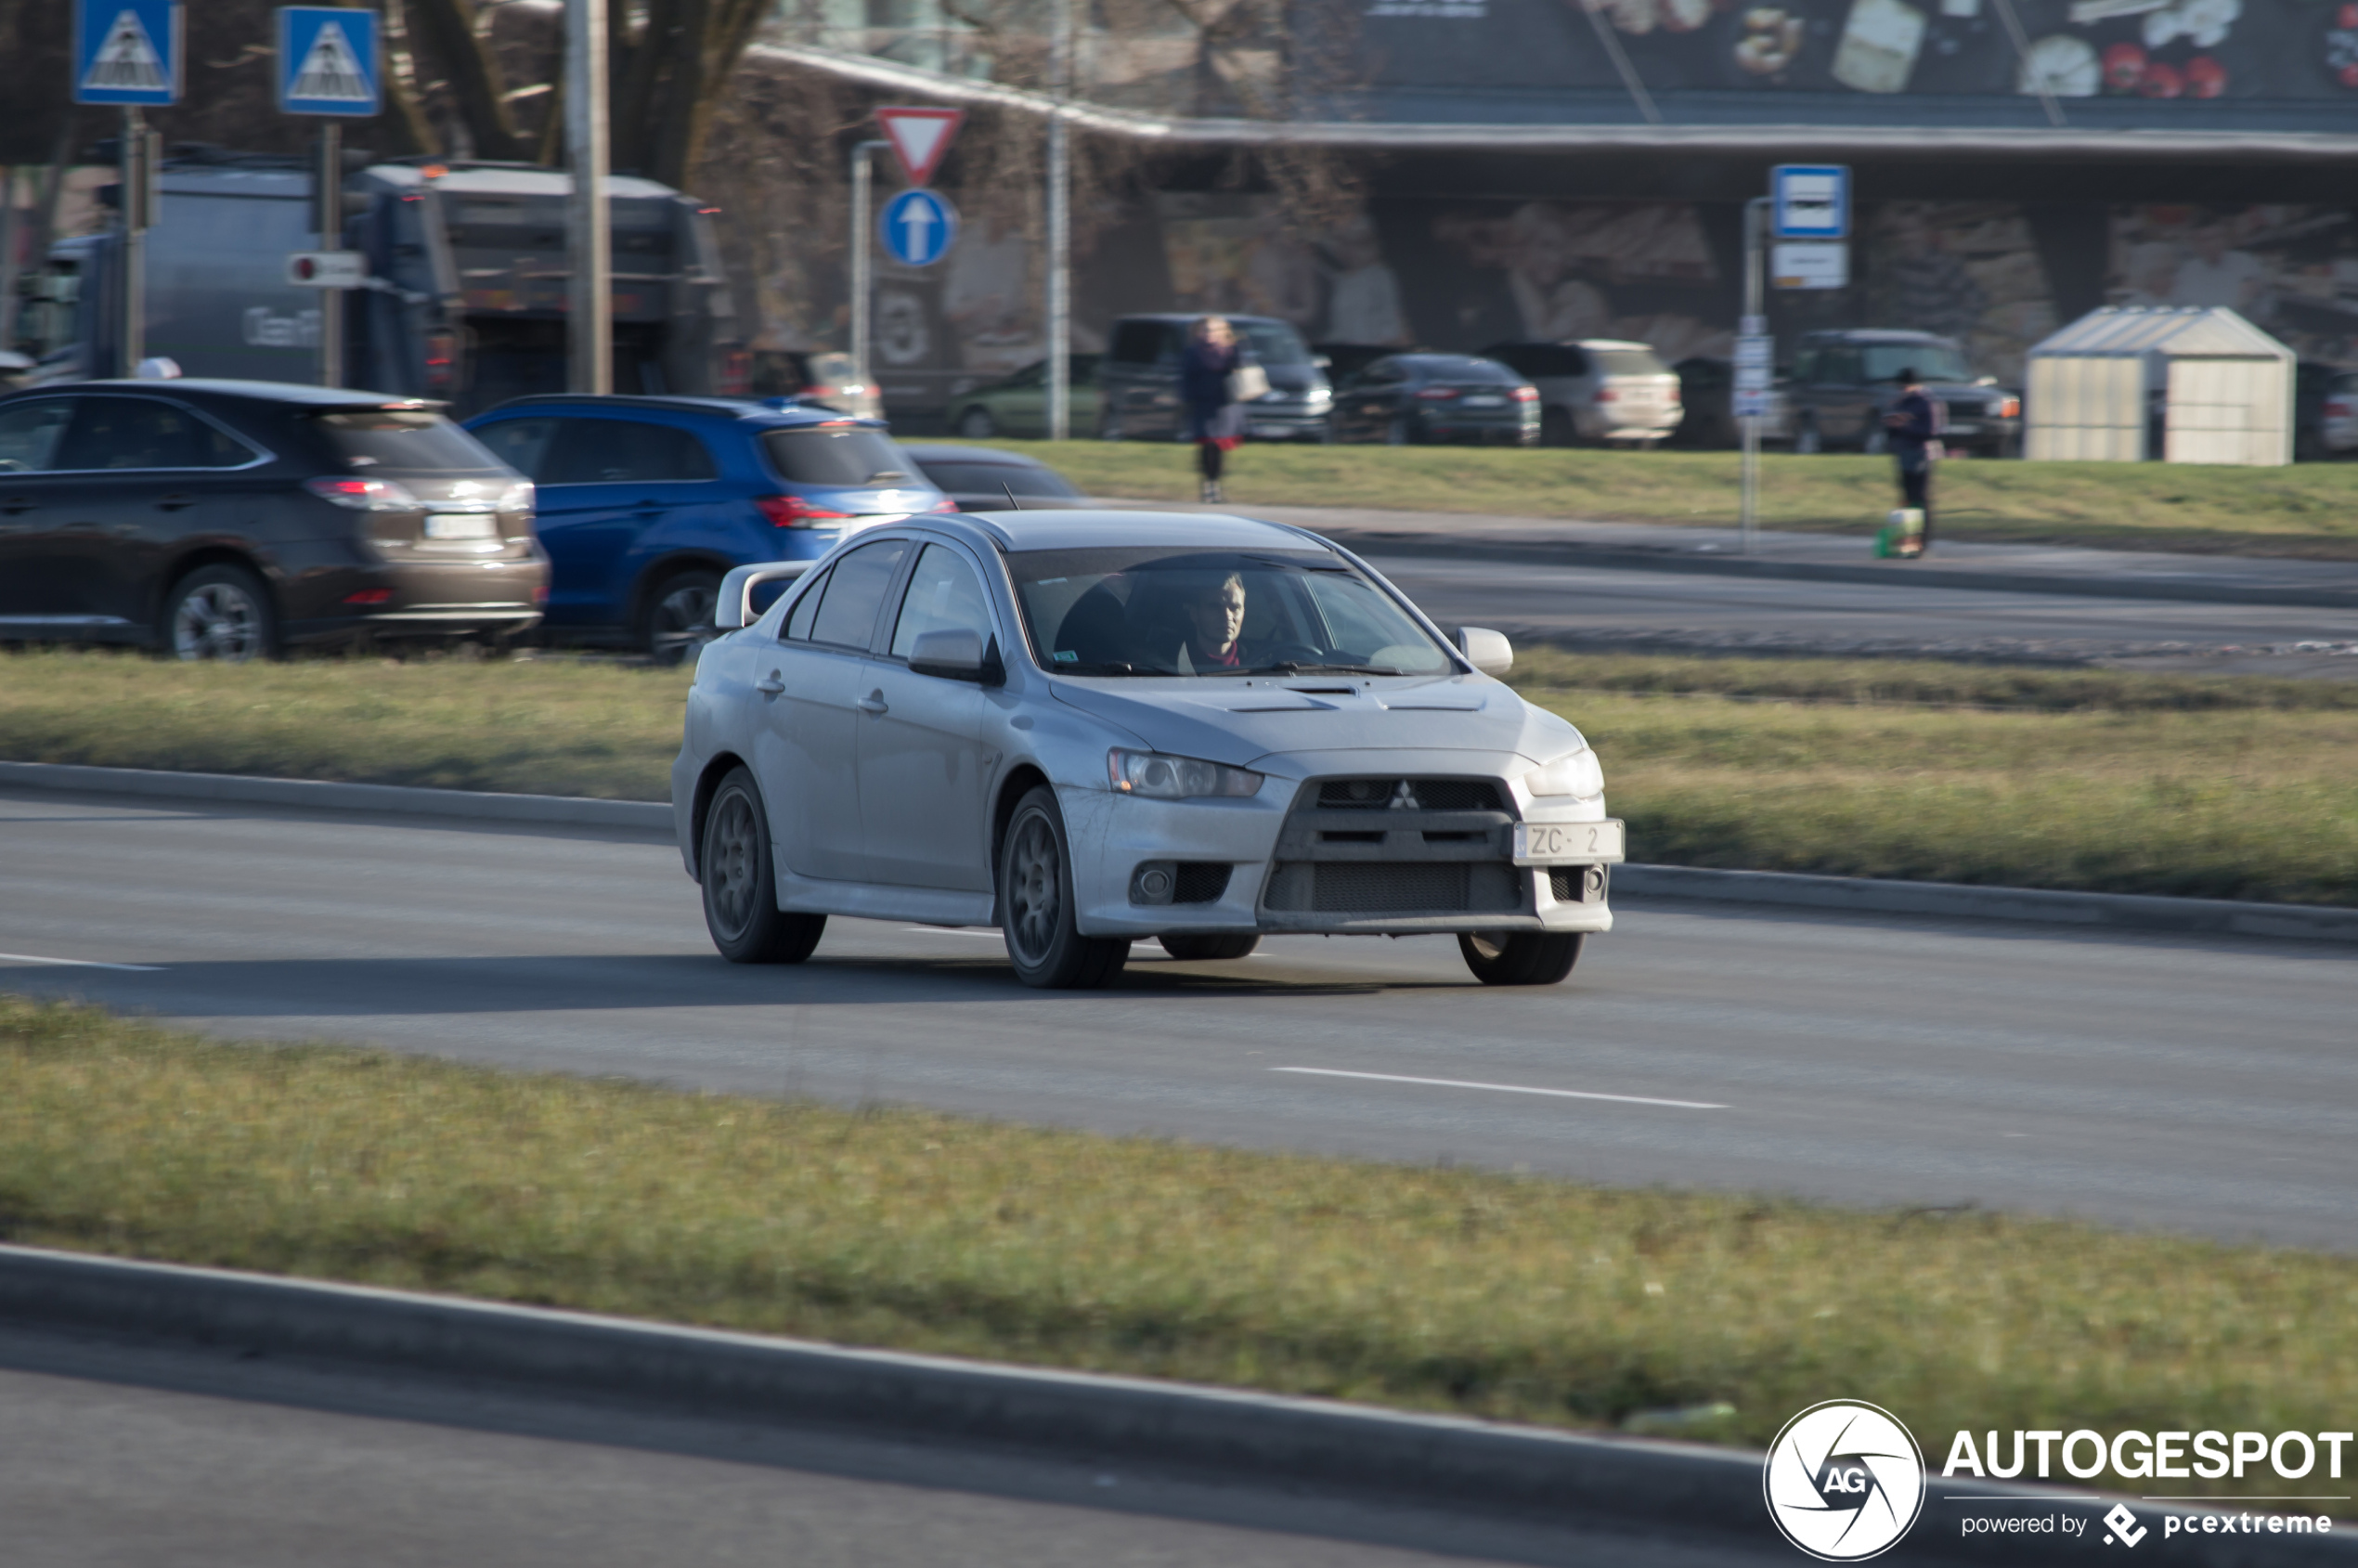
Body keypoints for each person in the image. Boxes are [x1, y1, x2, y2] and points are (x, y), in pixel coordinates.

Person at [1181, 316, 1250, 502]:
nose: (1208, 334)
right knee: (1207, 445)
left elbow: (1242, 369)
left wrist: (1236, 351)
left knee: (1219, 447)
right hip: (1203, 404)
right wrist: (1187, 400)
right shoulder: (1194, 352)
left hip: (1225, 404)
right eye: (1205, 330)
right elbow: (1187, 378)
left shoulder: (1231, 350)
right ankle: (1207, 484)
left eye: (1212, 330)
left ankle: (1216, 484)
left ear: (1221, 331)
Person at [1882, 367, 1943, 556]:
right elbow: (1892, 431)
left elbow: (1931, 431)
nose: (1903, 389)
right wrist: (1892, 425)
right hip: (1904, 454)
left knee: (1920, 499)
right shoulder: (1901, 402)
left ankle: (1921, 541)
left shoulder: (1926, 403)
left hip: (1921, 455)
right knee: (1906, 498)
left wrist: (1905, 425)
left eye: (1906, 385)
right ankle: (1906, 540)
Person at [1180, 571, 1249, 670]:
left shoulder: (1263, 662)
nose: (1227, 616)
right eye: (1215, 607)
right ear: (1194, 614)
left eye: (1234, 608)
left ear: (1243, 613)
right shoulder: (1168, 665)